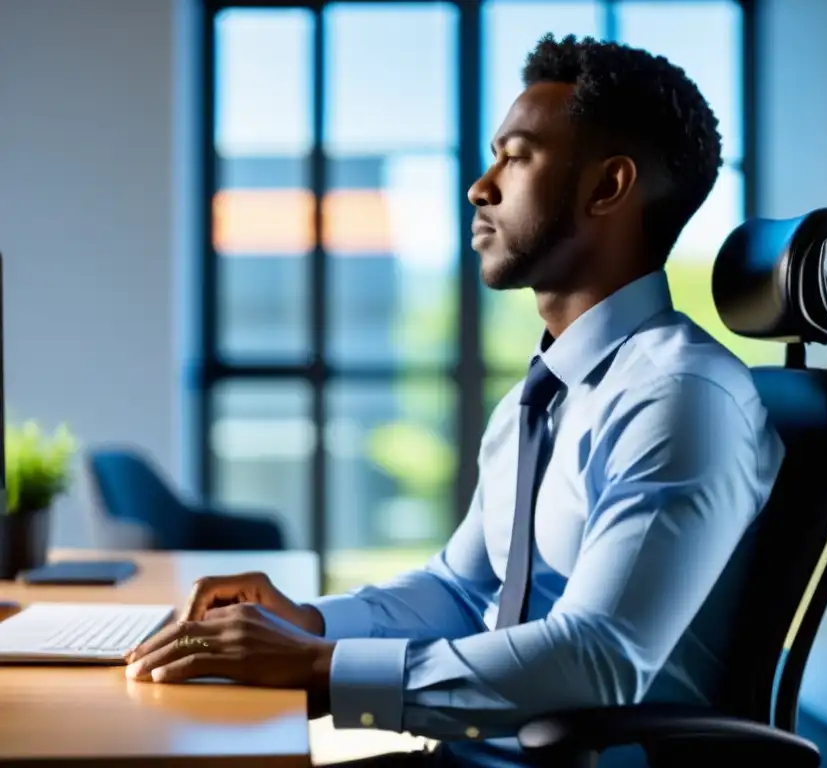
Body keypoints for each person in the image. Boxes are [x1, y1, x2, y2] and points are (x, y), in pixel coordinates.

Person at [123, 33, 785, 768]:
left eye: (518, 154)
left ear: (608, 188)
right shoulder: (542, 398)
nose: (480, 185)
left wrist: (317, 670)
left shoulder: (681, 398)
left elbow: (600, 659)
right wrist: (304, 622)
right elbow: (461, 587)